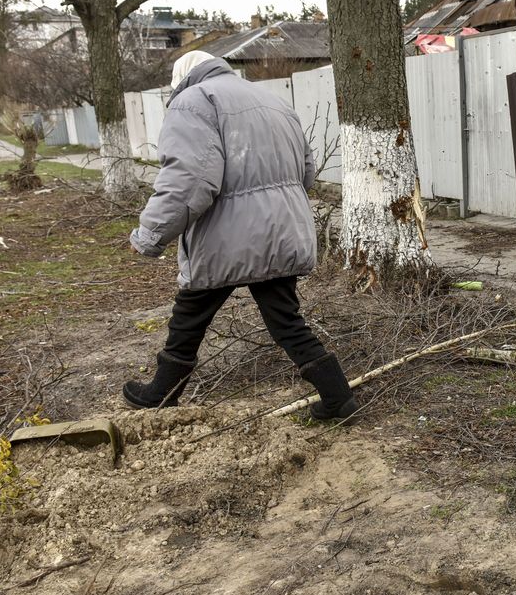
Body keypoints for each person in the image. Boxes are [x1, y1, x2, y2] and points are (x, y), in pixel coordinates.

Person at [124, 52, 356, 421]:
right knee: (286, 320)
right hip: (282, 231)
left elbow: (190, 180)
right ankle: (337, 395)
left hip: (227, 238)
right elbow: (307, 173)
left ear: (180, 79)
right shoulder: (273, 101)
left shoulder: (194, 101)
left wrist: (150, 234)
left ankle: (161, 394)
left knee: (188, 317)